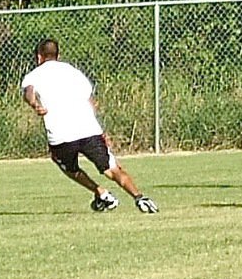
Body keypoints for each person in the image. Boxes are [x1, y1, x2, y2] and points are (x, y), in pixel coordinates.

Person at [21, 38, 158, 214]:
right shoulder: (73, 72)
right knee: (111, 169)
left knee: (69, 167)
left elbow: (29, 92)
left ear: (39, 57)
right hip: (89, 130)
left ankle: (101, 192)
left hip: (61, 135)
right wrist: (99, 129)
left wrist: (35, 105)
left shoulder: (35, 74)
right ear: (58, 55)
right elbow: (92, 102)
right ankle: (140, 198)